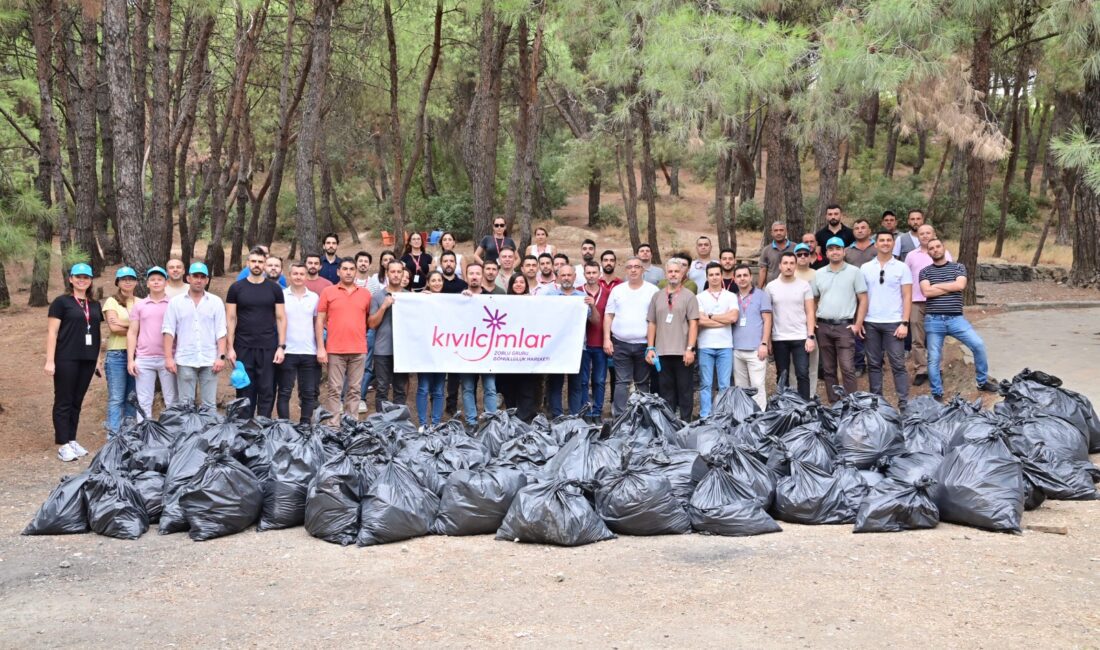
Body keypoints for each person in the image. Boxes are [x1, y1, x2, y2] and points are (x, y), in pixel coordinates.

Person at [919, 239, 999, 400]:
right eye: (931, 248)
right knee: (934, 357)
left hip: (956, 319)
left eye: (938, 246)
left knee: (978, 345)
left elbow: (960, 286)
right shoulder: (925, 271)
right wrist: (949, 286)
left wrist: (937, 286)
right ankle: (937, 392)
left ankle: (982, 382)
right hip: (933, 320)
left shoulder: (958, 267)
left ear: (944, 248)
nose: (935, 250)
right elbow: (926, 292)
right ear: (928, 252)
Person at [45, 263, 104, 461]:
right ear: (70, 279)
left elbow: (96, 332)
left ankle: (71, 439)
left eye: (86, 277)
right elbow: (52, 332)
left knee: (77, 401)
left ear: (90, 281)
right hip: (66, 357)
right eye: (78, 276)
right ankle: (62, 444)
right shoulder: (61, 302)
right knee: (64, 400)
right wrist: (50, 361)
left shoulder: (95, 305)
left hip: (87, 359)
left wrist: (97, 359)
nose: (82, 280)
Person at [226, 247, 287, 418]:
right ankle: (244, 428)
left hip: (269, 346)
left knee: (267, 389)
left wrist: (281, 346)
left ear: (265, 265)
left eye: (261, 262)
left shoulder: (275, 289)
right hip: (243, 346)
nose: (257, 265)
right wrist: (230, 348)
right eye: (253, 261)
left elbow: (281, 318)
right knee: (245, 388)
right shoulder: (236, 288)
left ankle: (263, 426)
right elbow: (230, 319)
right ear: (247, 263)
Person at [163, 262, 227, 409]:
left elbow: (221, 331)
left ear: (207, 280)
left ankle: (209, 431)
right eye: (195, 276)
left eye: (202, 277)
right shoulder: (175, 303)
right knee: (186, 404)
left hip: (210, 360)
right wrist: (168, 358)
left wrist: (221, 357)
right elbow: (168, 331)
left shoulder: (216, 302)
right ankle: (187, 432)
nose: (199, 280)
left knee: (209, 405)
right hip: (185, 359)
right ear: (188, 278)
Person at [861, 231, 912, 410]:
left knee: (898, 364)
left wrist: (904, 322)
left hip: (894, 322)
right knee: (874, 364)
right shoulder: (865, 268)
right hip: (871, 322)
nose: (885, 243)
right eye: (881, 240)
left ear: (893, 244)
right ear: (875, 244)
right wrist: (859, 321)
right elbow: (861, 297)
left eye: (888, 240)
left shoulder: (902, 267)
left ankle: (904, 403)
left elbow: (907, 296)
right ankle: (877, 403)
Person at [812, 237, 867, 402]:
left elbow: (863, 298)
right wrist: (814, 320)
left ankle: (851, 404)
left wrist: (858, 324)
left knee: (847, 367)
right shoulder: (819, 274)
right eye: (831, 249)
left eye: (838, 249)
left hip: (845, 326)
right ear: (826, 253)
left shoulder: (854, 272)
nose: (834, 252)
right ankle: (834, 403)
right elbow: (813, 299)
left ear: (844, 251)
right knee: (828, 369)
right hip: (823, 326)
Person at [604, 257, 660, 417]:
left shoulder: (652, 290)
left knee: (642, 383)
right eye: (630, 267)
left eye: (637, 267)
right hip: (620, 343)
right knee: (621, 381)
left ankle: (643, 416)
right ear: (625, 270)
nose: (633, 270)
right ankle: (620, 417)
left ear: (643, 270)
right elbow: (608, 315)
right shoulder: (618, 290)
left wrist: (651, 346)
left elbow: (654, 319)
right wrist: (606, 339)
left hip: (644, 344)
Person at [645, 258, 699, 421]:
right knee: (665, 391)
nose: (673, 274)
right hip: (662, 352)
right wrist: (650, 348)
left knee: (684, 391)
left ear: (682, 274)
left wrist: (690, 348)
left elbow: (694, 324)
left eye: (677, 271)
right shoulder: (657, 296)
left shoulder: (689, 296)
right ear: (666, 274)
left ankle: (685, 424)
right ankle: (669, 424)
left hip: (682, 352)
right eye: (670, 271)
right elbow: (652, 322)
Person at [316, 258, 371, 417]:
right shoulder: (328, 292)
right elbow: (320, 320)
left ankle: (351, 425)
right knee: (334, 390)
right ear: (338, 271)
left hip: (358, 349)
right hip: (335, 349)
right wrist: (321, 347)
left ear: (355, 272)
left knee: (354, 390)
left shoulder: (365, 294)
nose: (348, 272)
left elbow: (368, 320)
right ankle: (333, 427)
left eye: (351, 269)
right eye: (345, 269)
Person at [127, 266, 177, 421]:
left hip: (168, 358)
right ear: (147, 283)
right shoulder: (140, 305)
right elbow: (132, 332)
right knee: (143, 400)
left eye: (160, 279)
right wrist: (131, 360)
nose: (156, 283)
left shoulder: (174, 304)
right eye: (152, 280)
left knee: (172, 400)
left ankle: (172, 433)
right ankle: (144, 435)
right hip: (144, 358)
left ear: (166, 283)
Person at [905, 223, 951, 386]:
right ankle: (921, 369)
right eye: (921, 233)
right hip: (916, 301)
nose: (925, 236)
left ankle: (937, 368)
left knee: (937, 337)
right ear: (917, 236)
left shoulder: (943, 252)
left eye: (928, 233)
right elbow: (906, 279)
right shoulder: (911, 255)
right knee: (918, 339)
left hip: (937, 301)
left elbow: (949, 275)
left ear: (934, 234)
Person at [766, 253, 816, 399]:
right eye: (785, 263)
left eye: (791, 263)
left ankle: (805, 407)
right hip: (779, 337)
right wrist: (768, 339)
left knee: (802, 373)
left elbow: (810, 312)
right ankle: (784, 407)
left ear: (795, 265)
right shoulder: (771, 287)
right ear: (780, 266)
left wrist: (810, 336)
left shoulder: (804, 285)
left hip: (800, 337)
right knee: (782, 374)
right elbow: (768, 315)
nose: (788, 266)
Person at [277, 263, 321, 422]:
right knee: (284, 391)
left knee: (308, 392)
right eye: (295, 273)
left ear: (306, 276)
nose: (298, 277)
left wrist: (320, 348)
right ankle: (284, 425)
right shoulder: (281, 295)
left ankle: (304, 426)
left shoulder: (314, 297)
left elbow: (318, 323)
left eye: (301, 274)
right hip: (287, 351)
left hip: (309, 352)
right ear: (289, 275)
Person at [695, 263, 739, 418]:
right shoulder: (699, 297)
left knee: (724, 385)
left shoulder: (731, 296)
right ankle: (705, 415)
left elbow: (733, 317)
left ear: (722, 276)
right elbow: (700, 321)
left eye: (717, 274)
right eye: (711, 275)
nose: (714, 277)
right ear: (707, 277)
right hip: (705, 345)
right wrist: (723, 320)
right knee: (706, 384)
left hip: (725, 346)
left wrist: (711, 316)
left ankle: (723, 415)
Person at [458, 266, 500, 425]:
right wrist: (462, 300)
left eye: (477, 273)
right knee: (468, 388)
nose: (474, 277)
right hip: (466, 350)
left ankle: (491, 422)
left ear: (482, 276)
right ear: (466, 276)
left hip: (488, 351)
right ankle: (471, 422)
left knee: (490, 387)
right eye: (471, 274)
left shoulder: (492, 298)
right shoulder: (459, 298)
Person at [545, 265, 587, 417]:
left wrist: (593, 306)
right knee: (556, 384)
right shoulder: (550, 297)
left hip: (577, 348)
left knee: (576, 385)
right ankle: (557, 416)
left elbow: (593, 320)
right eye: (563, 275)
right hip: (556, 348)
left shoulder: (583, 297)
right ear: (557, 277)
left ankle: (575, 416)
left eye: (569, 275)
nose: (566, 278)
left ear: (574, 277)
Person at [496, 274, 539, 421]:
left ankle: (526, 419)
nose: (519, 284)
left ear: (526, 285)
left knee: (526, 387)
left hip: (527, 352)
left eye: (522, 282)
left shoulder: (535, 302)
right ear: (511, 285)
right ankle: (511, 417)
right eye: (516, 282)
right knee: (509, 387)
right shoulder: (502, 302)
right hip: (508, 352)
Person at [368, 260, 409, 410]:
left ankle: (399, 423)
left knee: (400, 389)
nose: (396, 275)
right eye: (393, 271)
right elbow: (371, 324)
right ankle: (381, 422)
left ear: (403, 273)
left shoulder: (409, 296)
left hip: (403, 351)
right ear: (387, 273)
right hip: (382, 350)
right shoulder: (378, 297)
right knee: (382, 388)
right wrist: (384, 306)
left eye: (399, 272)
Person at [103, 267, 139, 434]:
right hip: (117, 353)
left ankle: (130, 434)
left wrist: (123, 323)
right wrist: (135, 328)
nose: (127, 281)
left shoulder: (141, 302)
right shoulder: (112, 302)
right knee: (116, 398)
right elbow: (113, 327)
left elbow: (145, 327)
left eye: (131, 278)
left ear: (136, 282)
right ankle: (114, 437)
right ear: (117, 282)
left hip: (137, 354)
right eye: (123, 278)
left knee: (132, 397)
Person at [731, 264, 771, 410]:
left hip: (756, 349)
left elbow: (767, 320)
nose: (742, 279)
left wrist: (764, 344)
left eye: (745, 275)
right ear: (734, 279)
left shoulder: (761, 295)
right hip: (737, 349)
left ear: (751, 277)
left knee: (757, 386)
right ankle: (744, 418)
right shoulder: (732, 298)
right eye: (739, 276)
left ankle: (759, 418)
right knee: (741, 387)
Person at [414, 271, 448, 429]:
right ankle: (422, 423)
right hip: (424, 351)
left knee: (439, 389)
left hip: (442, 351)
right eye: (433, 280)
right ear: (428, 282)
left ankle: (435, 423)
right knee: (423, 387)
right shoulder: (420, 299)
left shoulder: (450, 300)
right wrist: (419, 296)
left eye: (439, 280)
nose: (436, 283)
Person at [579, 261, 610, 421]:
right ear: (584, 274)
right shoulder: (578, 293)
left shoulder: (607, 293)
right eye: (588, 273)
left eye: (594, 273)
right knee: (583, 381)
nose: (591, 276)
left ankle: (597, 411)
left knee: (599, 380)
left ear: (599, 274)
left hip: (599, 342)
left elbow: (608, 318)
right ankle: (585, 410)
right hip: (581, 345)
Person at [791, 244, 820, 394]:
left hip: (813, 324)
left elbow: (820, 298)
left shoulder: (817, 274)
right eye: (799, 254)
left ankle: (811, 393)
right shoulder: (789, 273)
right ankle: (794, 393)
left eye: (805, 254)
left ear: (810, 256)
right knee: (793, 363)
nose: (802, 257)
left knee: (812, 361)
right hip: (793, 324)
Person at [759, 221, 794, 287]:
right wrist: (759, 290)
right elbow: (763, 270)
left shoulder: (795, 248)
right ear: (772, 233)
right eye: (776, 230)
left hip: (792, 286)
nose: (778, 233)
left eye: (781, 230)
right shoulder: (766, 250)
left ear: (786, 232)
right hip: (772, 288)